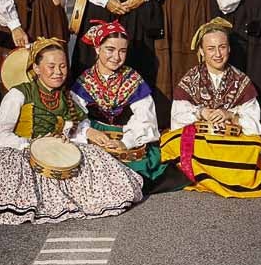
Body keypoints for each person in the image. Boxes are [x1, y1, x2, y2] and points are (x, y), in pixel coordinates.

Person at [0, 38, 143, 224]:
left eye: (62, 66)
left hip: (55, 151)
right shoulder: (19, 94)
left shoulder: (65, 96)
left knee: (101, 171)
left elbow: (75, 126)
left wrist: (89, 133)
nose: (58, 72)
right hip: (21, 151)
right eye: (51, 67)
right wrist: (30, 144)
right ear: (36, 68)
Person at [160, 18, 261, 198]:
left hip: (232, 139)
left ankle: (212, 176)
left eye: (222, 47)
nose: (217, 54)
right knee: (172, 141)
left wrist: (231, 115)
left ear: (229, 49)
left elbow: (254, 124)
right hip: (202, 139)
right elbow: (177, 118)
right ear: (201, 51)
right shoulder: (190, 80)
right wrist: (201, 112)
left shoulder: (242, 81)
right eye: (211, 48)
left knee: (254, 146)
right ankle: (221, 175)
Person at [70, 20, 180, 194]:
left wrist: (125, 142)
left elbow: (145, 118)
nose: (116, 57)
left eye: (122, 51)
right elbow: (73, 115)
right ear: (97, 48)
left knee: (140, 168)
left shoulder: (132, 79)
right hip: (95, 135)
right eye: (110, 49)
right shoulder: (84, 81)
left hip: (126, 134)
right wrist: (87, 132)